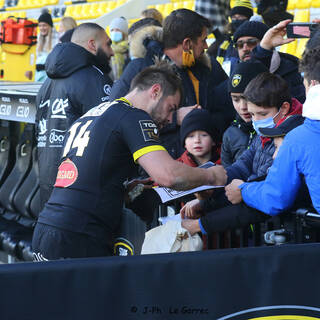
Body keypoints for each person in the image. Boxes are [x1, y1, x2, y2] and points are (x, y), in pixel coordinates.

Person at [32, 62, 226, 260]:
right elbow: (169, 175)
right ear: (156, 91)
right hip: (80, 234)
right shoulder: (134, 117)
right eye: (170, 108)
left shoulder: (92, 114)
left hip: (47, 228)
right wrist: (210, 175)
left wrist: (122, 188)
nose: (170, 119)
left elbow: (83, 175)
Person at [179, 72, 303, 233]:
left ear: (284, 108)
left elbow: (264, 193)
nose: (256, 121)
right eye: (252, 114)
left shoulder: (291, 136)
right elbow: (242, 167)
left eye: (263, 114)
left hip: (290, 232)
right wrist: (210, 185)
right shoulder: (266, 131)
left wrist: (203, 223)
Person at [110, 9, 230, 158]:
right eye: (203, 40)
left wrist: (204, 121)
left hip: (202, 165)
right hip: (156, 166)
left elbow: (225, 110)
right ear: (187, 44)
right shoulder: (139, 68)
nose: (206, 46)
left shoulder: (209, 68)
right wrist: (173, 118)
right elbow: (116, 118)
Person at [226, 46, 320, 215]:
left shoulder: (298, 137)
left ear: (312, 84)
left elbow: (276, 198)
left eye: (304, 83)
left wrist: (244, 190)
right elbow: (243, 166)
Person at [36, 22, 114, 210]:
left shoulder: (46, 83)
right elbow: (109, 134)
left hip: (47, 185)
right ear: (92, 45)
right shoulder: (94, 78)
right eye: (108, 44)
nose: (112, 52)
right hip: (81, 191)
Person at [233, 19, 306, 103]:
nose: (245, 48)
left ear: (268, 42)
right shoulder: (234, 73)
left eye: (251, 42)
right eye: (239, 44)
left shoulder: (291, 68)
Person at [221, 61, 268, 167]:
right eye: (236, 99)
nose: (242, 107)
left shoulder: (275, 131)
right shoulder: (230, 134)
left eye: (247, 98)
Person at [215, 0, 254, 74]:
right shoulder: (225, 39)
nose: (236, 20)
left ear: (249, 18)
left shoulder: (255, 39)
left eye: (240, 17)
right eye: (234, 17)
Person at [35, 10, 60, 82]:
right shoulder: (39, 37)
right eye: (40, 25)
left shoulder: (57, 38)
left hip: (50, 77)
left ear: (50, 26)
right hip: (39, 75)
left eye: (44, 25)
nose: (42, 28)